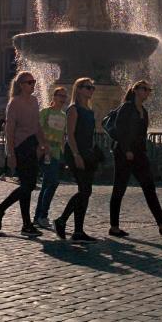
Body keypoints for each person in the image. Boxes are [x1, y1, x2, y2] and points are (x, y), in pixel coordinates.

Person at [109, 80, 162, 238]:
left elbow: (141, 134)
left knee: (149, 187)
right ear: (136, 90)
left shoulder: (144, 111)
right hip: (124, 153)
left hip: (139, 154)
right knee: (119, 188)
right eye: (145, 89)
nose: (148, 92)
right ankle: (114, 227)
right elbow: (120, 129)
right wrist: (126, 149)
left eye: (149, 90)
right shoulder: (127, 107)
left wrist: (142, 151)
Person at [0, 71, 47, 235]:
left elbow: (37, 124)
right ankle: (1, 208)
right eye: (30, 82)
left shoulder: (35, 101)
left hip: (32, 144)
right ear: (21, 85)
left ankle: (26, 224)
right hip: (21, 146)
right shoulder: (14, 103)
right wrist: (11, 153)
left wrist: (43, 143)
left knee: (27, 186)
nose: (33, 85)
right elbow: (9, 131)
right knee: (28, 185)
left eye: (34, 82)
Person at [55, 77, 100, 243]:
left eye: (92, 88)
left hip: (87, 153)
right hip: (75, 152)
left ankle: (78, 231)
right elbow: (70, 135)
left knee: (86, 192)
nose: (91, 90)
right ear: (78, 89)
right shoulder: (73, 109)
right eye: (88, 87)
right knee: (84, 190)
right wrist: (76, 155)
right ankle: (61, 221)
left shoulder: (89, 109)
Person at [34, 86, 68, 230]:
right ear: (53, 97)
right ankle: (43, 215)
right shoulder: (45, 112)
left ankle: (38, 217)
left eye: (64, 97)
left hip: (56, 152)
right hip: (45, 151)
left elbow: (62, 137)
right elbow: (38, 129)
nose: (62, 99)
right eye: (60, 96)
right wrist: (42, 147)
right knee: (53, 182)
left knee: (47, 184)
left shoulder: (63, 115)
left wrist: (63, 155)